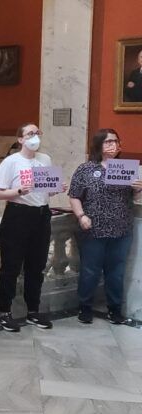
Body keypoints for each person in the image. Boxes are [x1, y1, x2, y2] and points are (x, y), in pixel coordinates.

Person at [0, 123, 66, 332]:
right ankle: (4, 312)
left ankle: (33, 310)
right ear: (21, 139)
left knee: (37, 265)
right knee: (11, 265)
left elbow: (46, 191)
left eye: (37, 133)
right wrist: (18, 190)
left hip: (41, 215)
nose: (35, 137)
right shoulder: (11, 162)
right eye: (30, 133)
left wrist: (56, 189)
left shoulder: (45, 160)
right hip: (18, 214)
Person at [68, 128, 142, 325]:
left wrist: (138, 190)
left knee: (116, 271)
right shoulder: (86, 169)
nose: (112, 145)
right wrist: (81, 215)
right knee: (90, 270)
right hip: (94, 227)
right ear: (98, 145)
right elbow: (74, 196)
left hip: (122, 228)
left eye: (115, 141)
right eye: (108, 141)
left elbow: (133, 199)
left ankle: (114, 309)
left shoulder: (127, 168)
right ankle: (85, 307)